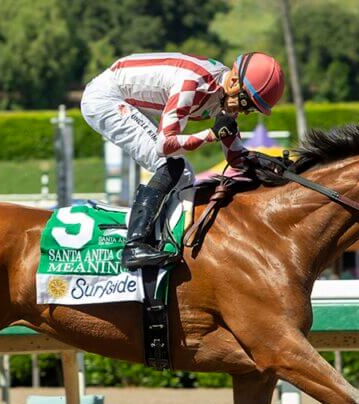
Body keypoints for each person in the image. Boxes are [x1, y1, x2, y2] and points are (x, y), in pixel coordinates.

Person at [81, 52, 285, 269]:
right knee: (173, 165)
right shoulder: (192, 83)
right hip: (105, 99)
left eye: (251, 109)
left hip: (127, 96)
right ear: (234, 82)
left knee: (183, 171)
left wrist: (273, 167)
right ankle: (134, 246)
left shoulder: (228, 95)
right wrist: (210, 135)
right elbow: (164, 145)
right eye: (246, 104)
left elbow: (235, 157)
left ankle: (162, 240)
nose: (244, 112)